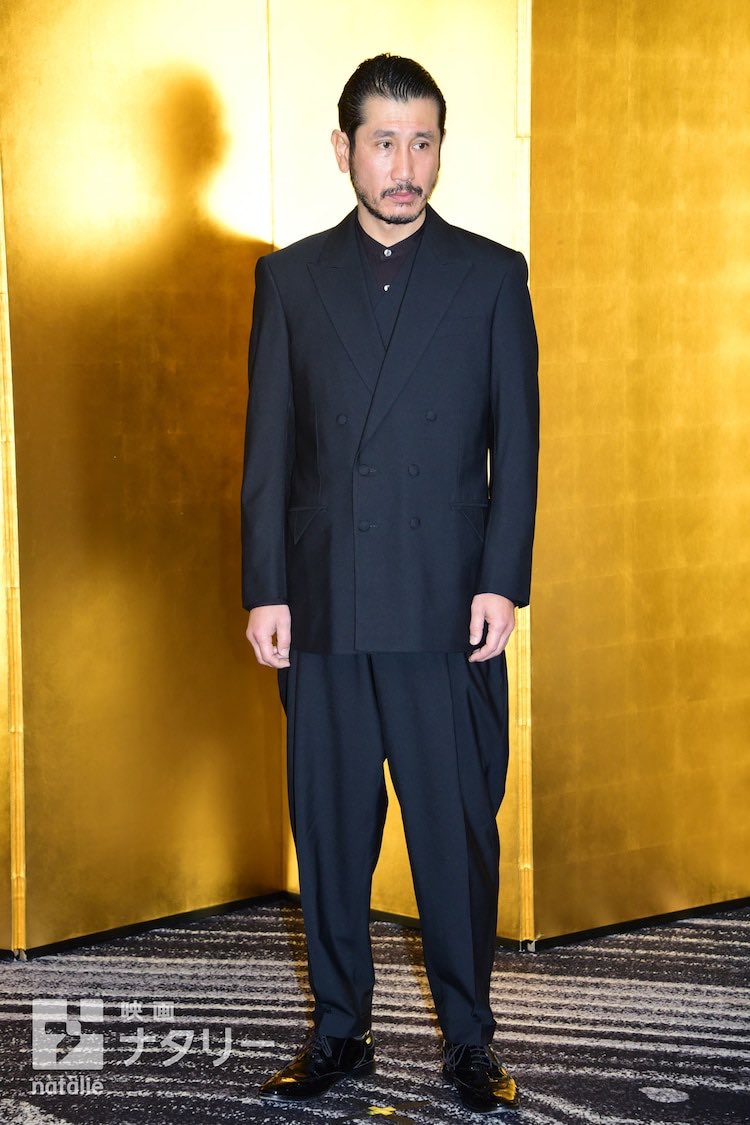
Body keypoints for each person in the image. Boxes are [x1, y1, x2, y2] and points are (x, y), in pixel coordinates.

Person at [241, 53, 539, 1114]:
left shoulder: (492, 274)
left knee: (455, 831)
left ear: (440, 149)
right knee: (328, 829)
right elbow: (269, 451)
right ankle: (339, 1030)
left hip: (444, 603)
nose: (405, 166)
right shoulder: (288, 279)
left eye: (422, 142)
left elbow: (519, 447)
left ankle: (470, 1039)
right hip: (323, 602)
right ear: (344, 150)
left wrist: (503, 582)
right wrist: (265, 587)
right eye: (384, 142)